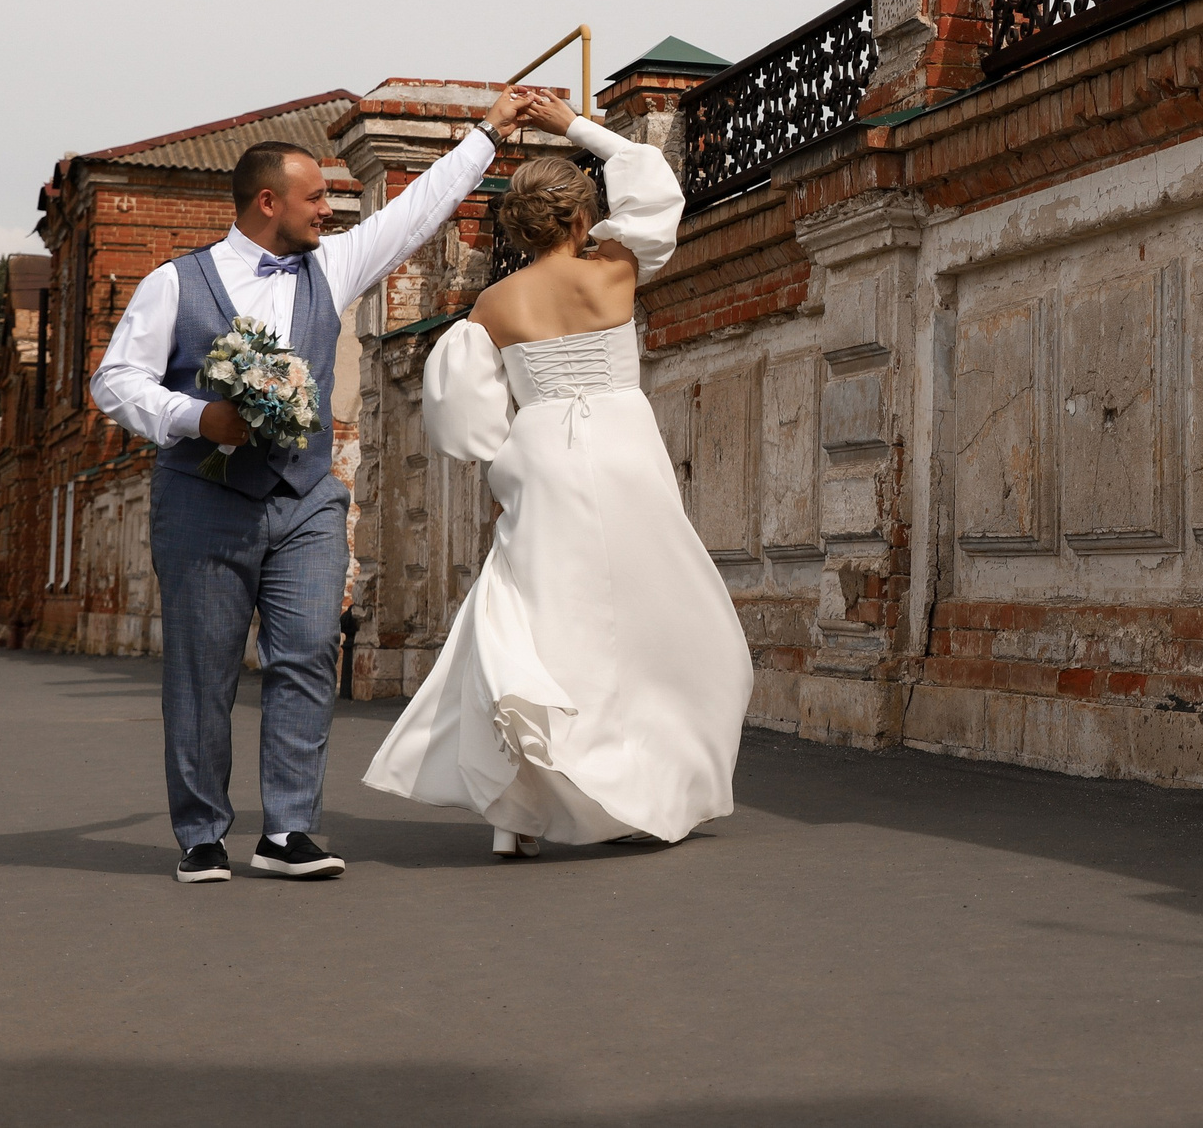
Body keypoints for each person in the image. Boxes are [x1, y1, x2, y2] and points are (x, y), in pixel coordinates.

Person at [91, 85, 526, 883]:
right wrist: (197, 418)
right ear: (268, 201)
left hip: (306, 502)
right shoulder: (173, 284)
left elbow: (416, 212)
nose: (332, 208)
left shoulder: (331, 267)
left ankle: (288, 830)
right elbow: (114, 382)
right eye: (318, 195)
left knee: (307, 653)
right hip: (203, 503)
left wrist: (487, 136)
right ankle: (200, 833)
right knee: (203, 670)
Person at [363, 93, 751, 857]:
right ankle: (642, 787)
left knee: (542, 613)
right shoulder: (615, 271)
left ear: (515, 228)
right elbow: (648, 175)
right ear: (581, 220)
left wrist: (508, 444)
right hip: (622, 445)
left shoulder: (491, 305)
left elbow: (463, 420)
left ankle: (518, 811)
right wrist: (573, 125)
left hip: (540, 451)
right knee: (649, 616)